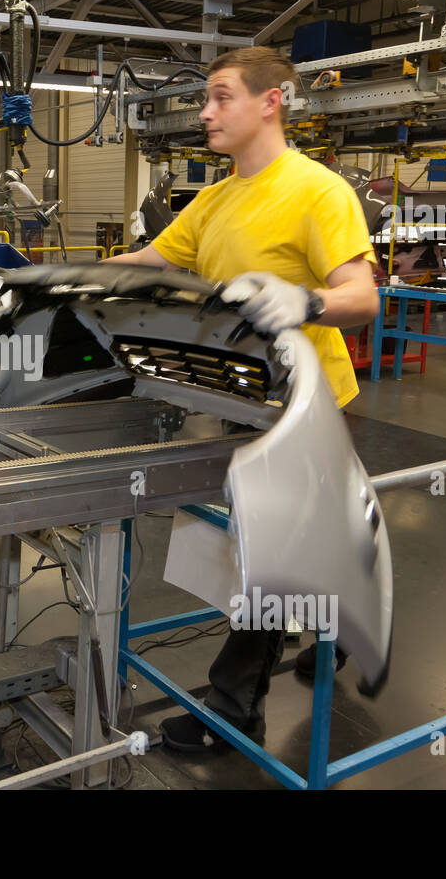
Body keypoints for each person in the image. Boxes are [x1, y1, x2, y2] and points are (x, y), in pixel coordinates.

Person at [105, 46, 380, 752]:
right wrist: (58, 276)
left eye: (221, 96)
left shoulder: (317, 191)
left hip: (303, 408)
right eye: (206, 98)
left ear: (271, 101)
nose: (204, 111)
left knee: (275, 552)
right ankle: (342, 621)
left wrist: (306, 300)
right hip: (239, 400)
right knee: (293, 540)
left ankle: (233, 710)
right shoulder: (215, 198)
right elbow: (150, 262)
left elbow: (362, 297)